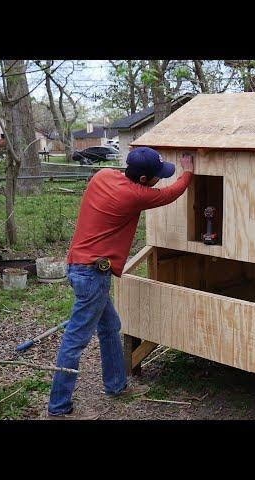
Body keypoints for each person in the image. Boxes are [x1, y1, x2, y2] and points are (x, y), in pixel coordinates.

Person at [47, 147, 194, 420]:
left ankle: (116, 385)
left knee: (110, 326)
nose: (160, 180)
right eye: (156, 176)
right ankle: (58, 407)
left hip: (79, 266)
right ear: (142, 180)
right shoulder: (134, 195)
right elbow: (171, 193)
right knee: (75, 341)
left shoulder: (103, 175)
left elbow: (153, 186)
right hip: (93, 275)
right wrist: (189, 172)